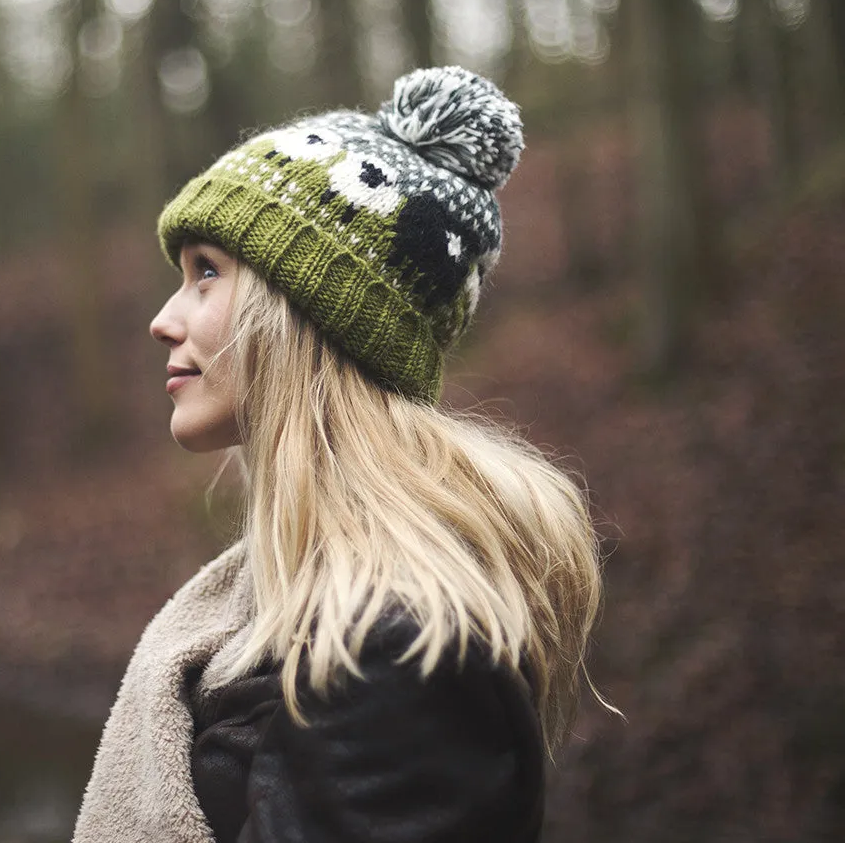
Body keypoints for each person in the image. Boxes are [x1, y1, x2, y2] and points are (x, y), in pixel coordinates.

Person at [72, 66, 606, 843]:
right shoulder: (284, 602)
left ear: (306, 313)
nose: (162, 318)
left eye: (207, 273)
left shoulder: (404, 649)